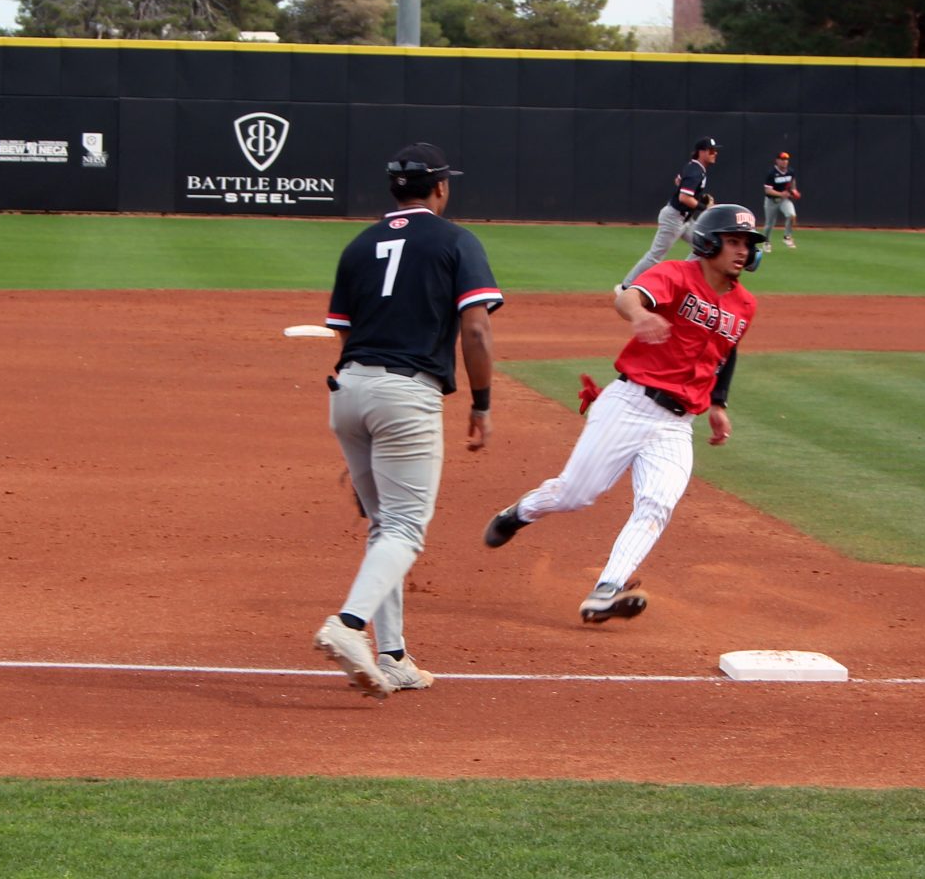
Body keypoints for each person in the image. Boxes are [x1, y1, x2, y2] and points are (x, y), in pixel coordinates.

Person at [486, 203, 764, 623]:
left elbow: (728, 351)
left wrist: (719, 405)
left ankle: (606, 590)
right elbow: (629, 296)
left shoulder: (744, 304)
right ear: (709, 242)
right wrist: (639, 316)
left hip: (676, 424)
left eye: (748, 244)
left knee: (656, 504)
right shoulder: (675, 275)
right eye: (734, 241)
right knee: (576, 494)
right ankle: (520, 513)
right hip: (630, 404)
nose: (743, 251)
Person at [311, 143, 503, 698]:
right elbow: (475, 330)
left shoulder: (359, 244)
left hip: (348, 392)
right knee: (403, 526)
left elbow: (343, 332)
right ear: (440, 187)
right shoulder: (456, 240)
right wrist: (482, 403)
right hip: (404, 396)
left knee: (383, 524)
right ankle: (347, 627)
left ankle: (392, 655)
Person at [618, 135, 719, 290]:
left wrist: (698, 197)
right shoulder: (695, 171)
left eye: (715, 151)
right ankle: (626, 287)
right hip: (674, 218)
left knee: (706, 247)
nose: (715, 153)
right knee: (655, 256)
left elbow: (678, 181)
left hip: (685, 219)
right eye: (711, 150)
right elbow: (684, 197)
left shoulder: (694, 167)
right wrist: (703, 207)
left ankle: (683, 278)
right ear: (701, 152)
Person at [761, 150, 800, 250]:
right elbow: (768, 191)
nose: (784, 161)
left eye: (786, 159)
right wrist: (781, 194)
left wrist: (794, 191)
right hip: (771, 201)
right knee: (770, 224)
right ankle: (766, 242)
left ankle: (787, 236)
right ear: (777, 161)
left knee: (791, 215)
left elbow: (792, 184)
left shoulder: (790, 171)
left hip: (784, 200)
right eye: (782, 159)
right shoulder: (772, 173)